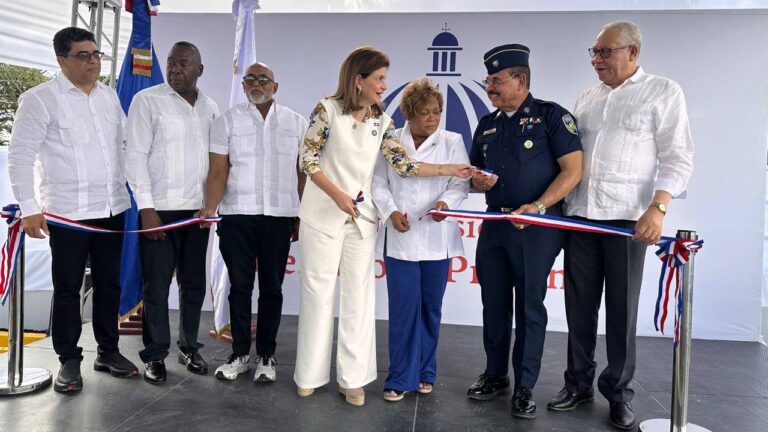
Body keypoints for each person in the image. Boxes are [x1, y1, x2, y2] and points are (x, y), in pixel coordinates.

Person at [293, 47, 472, 407]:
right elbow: (307, 159)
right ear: (358, 80)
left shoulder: (383, 121)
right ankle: (309, 375)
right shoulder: (326, 110)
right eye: (379, 79)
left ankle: (353, 379)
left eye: (384, 79)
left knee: (359, 299)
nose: (384, 85)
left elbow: (404, 165)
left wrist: (448, 169)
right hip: (323, 215)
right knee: (318, 294)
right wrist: (337, 195)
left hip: (361, 220)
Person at [547, 21, 694, 430]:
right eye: (593, 52)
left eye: (605, 52)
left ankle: (618, 393)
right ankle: (577, 384)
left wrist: (658, 208)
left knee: (621, 311)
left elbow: (678, 157)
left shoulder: (663, 92)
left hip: (629, 221)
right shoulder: (587, 98)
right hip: (581, 216)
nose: (596, 60)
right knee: (579, 307)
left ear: (632, 52)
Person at [8, 27, 138, 393]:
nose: (93, 61)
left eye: (96, 54)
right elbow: (20, 156)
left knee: (109, 284)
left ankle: (108, 351)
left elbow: (124, 147)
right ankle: (68, 359)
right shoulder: (40, 99)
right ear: (62, 60)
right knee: (67, 287)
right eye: (83, 55)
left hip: (112, 207)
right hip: (68, 213)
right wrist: (29, 207)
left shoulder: (108, 96)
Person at [467, 44, 583, 419]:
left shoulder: (551, 117)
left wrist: (539, 206)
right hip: (495, 224)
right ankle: (495, 375)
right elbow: (474, 174)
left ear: (521, 80)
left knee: (529, 306)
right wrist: (477, 182)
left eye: (497, 80)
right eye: (488, 80)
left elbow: (573, 171)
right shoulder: (487, 124)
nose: (489, 87)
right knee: (493, 302)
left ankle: (525, 385)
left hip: (536, 226)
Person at [198, 62, 307, 382]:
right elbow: (218, 170)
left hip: (279, 216)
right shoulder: (227, 120)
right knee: (240, 287)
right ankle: (240, 354)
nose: (256, 84)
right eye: (250, 80)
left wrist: (302, 213)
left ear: (275, 86)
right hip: (237, 215)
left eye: (263, 79)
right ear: (243, 85)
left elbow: (303, 172)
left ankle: (267, 356)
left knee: (272, 288)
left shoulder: (296, 122)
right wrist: (209, 207)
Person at [125, 41, 220, 385]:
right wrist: (146, 208)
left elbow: (216, 162)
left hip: (197, 214)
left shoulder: (211, 107)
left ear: (199, 70)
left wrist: (211, 205)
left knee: (193, 285)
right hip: (159, 212)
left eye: (183, 63)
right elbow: (134, 156)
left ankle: (189, 347)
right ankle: (155, 355)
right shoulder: (147, 100)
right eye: (171, 63)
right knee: (157, 287)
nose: (175, 69)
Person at [371, 77, 469, 402]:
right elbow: (378, 183)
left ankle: (426, 371)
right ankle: (399, 377)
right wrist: (390, 212)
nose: (432, 118)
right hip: (401, 237)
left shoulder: (452, 141)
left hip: (437, 237)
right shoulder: (391, 141)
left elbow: (460, 183)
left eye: (436, 112)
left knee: (430, 309)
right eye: (424, 113)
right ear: (409, 114)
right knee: (402, 310)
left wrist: (446, 205)